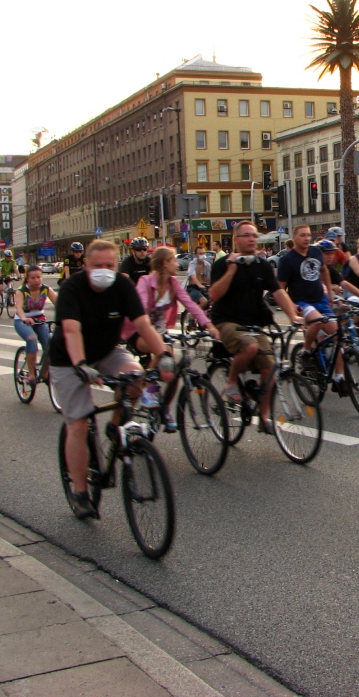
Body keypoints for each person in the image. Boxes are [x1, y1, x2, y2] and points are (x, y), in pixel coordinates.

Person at [48, 239, 176, 519]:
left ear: (117, 265)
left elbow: (143, 323)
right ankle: (81, 493)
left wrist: (163, 354)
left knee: (135, 378)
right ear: (87, 265)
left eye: (109, 265)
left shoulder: (122, 285)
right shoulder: (72, 288)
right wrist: (81, 364)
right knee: (79, 423)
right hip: (69, 358)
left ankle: (115, 427)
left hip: (107, 350)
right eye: (98, 266)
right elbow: (70, 331)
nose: (104, 270)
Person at [209, 221, 301, 430]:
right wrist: (232, 270)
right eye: (246, 235)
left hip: (252, 323)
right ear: (236, 240)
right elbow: (214, 295)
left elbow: (278, 292)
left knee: (269, 367)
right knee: (249, 346)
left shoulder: (262, 265)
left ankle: (264, 417)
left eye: (254, 235)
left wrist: (293, 316)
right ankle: (232, 381)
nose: (251, 239)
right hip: (227, 321)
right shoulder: (223, 265)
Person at [121, 247, 218, 432]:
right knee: (163, 351)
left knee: (171, 373)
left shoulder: (173, 283)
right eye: (173, 260)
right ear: (165, 263)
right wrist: (151, 332)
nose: (176, 264)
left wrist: (208, 325)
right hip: (140, 332)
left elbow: (190, 304)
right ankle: (146, 385)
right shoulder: (145, 281)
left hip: (161, 333)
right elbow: (139, 309)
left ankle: (164, 408)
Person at [278, 225, 347, 393]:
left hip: (320, 299)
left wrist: (330, 292)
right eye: (302, 235)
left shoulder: (315, 252)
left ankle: (339, 377)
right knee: (316, 322)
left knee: (337, 334)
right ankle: (306, 351)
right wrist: (291, 306)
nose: (307, 238)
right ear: (294, 237)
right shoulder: (287, 260)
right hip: (302, 302)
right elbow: (280, 288)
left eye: (308, 235)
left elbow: (324, 270)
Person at [12, 266, 58, 386]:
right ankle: (31, 374)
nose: (36, 280)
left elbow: (59, 303)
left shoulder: (46, 289)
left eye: (38, 277)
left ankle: (45, 373)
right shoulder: (21, 291)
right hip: (22, 321)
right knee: (31, 339)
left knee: (50, 344)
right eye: (33, 278)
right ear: (27, 279)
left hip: (40, 320)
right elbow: (19, 308)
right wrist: (24, 318)